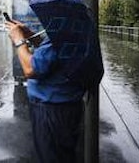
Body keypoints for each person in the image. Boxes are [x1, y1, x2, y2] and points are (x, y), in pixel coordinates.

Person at [5, 19, 85, 163]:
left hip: (52, 110)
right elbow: (52, 50)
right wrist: (30, 34)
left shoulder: (62, 30)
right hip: (65, 104)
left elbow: (30, 69)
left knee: (50, 156)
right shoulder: (71, 26)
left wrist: (19, 40)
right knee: (62, 154)